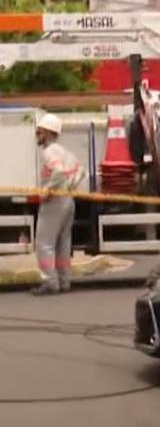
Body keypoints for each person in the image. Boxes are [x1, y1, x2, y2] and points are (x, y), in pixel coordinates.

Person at [32, 114, 85, 296]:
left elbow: (58, 170)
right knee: (63, 243)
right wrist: (72, 184)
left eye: (40, 131)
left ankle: (49, 282)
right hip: (68, 201)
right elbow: (80, 169)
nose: (37, 134)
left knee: (44, 244)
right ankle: (64, 281)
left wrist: (47, 189)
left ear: (49, 132)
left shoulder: (49, 152)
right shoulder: (65, 151)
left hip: (54, 202)